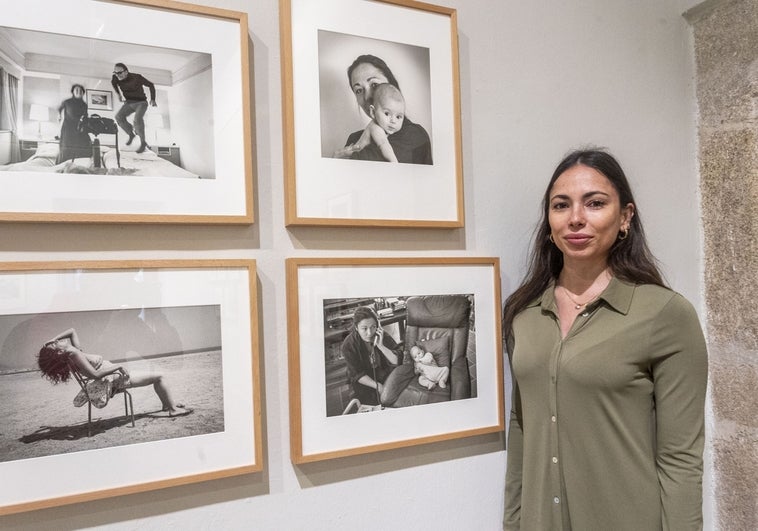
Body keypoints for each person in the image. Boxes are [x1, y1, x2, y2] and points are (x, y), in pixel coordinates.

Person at [502, 148, 707, 530]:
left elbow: (681, 459)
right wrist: (513, 523)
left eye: (595, 203)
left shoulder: (666, 315)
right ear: (549, 221)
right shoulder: (523, 314)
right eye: (561, 205)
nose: (576, 218)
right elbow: (521, 428)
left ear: (625, 216)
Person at [37, 328, 192, 417]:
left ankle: (167, 405)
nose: (56, 341)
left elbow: (72, 331)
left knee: (156, 376)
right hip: (115, 380)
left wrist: (52, 340)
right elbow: (94, 375)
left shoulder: (73, 353)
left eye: (55, 341)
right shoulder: (75, 355)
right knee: (159, 376)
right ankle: (172, 410)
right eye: (54, 344)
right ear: (58, 353)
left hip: (112, 377)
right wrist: (117, 367)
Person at [334, 54, 432, 164]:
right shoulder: (354, 138)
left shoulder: (415, 135)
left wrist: (336, 160)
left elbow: (360, 168)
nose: (367, 97)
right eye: (359, 90)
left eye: (374, 84)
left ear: (392, 85)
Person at [340, 306, 403, 406]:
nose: (369, 333)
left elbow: (397, 361)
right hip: (364, 380)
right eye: (364, 328)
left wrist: (381, 346)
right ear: (356, 327)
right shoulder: (348, 345)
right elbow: (357, 374)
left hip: (383, 374)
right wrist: (378, 386)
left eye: (373, 327)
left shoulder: (382, 336)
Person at [351, 83, 406, 163]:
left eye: (398, 117)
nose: (393, 121)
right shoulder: (375, 128)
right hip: (355, 156)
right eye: (387, 114)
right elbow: (384, 146)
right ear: (373, 112)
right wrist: (395, 162)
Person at [111, 62, 156, 153]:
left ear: (126, 72)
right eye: (115, 73)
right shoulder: (115, 78)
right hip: (129, 102)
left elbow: (151, 85)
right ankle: (131, 134)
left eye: (119, 73)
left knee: (137, 120)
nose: (117, 75)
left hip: (141, 102)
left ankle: (143, 143)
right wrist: (118, 94)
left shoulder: (137, 77)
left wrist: (153, 99)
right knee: (118, 117)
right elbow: (114, 83)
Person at [56, 84, 91, 163]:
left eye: (80, 90)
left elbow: (85, 116)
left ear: (83, 93)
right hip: (68, 128)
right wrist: (59, 116)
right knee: (66, 148)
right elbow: (59, 109)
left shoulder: (84, 104)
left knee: (82, 148)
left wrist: (85, 125)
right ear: (73, 92)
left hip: (79, 129)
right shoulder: (67, 102)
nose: (79, 92)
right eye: (76, 90)